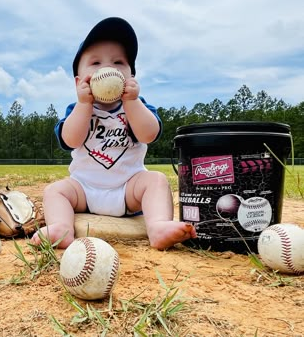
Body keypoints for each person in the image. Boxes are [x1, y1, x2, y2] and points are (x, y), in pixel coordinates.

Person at [31, 17, 196, 249]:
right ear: (78, 81)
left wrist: (132, 102)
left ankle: (158, 226)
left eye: (118, 62)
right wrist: (83, 105)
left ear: (131, 77)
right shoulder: (76, 110)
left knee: (156, 180)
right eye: (96, 63)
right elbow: (71, 140)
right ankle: (62, 228)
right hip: (84, 190)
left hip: (128, 190)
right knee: (55, 191)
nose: (107, 69)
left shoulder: (137, 106)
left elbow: (149, 134)